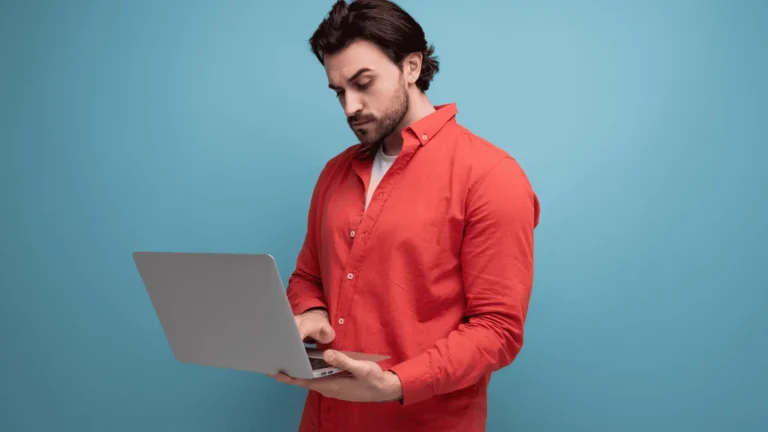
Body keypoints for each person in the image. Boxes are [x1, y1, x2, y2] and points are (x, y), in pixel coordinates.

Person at [271, 0, 541, 430]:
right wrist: (312, 314)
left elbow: (497, 330)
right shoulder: (334, 173)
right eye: (340, 91)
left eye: (363, 83)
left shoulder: (491, 177)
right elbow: (308, 277)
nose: (350, 107)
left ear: (411, 66)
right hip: (327, 418)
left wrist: (396, 382)